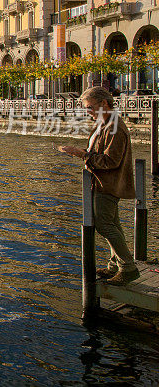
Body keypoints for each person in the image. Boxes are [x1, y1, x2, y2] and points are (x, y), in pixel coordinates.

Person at [57, 86, 139, 285]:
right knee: (113, 224)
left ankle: (128, 267)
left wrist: (81, 154)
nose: (88, 112)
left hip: (107, 184)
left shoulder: (115, 127)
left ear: (104, 104)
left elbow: (111, 161)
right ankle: (115, 265)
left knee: (104, 225)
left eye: (90, 107)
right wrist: (84, 152)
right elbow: (99, 152)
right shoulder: (106, 123)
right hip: (101, 182)